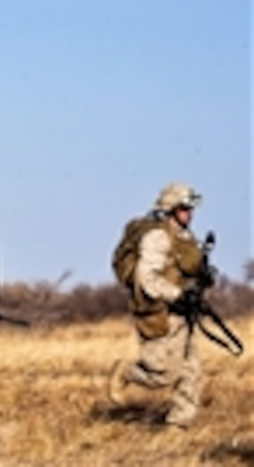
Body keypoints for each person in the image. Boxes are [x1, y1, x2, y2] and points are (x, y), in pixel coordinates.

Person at [108, 182, 204, 428]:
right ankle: (127, 371)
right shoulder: (157, 238)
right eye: (184, 208)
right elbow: (147, 279)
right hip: (160, 312)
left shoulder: (185, 237)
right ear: (171, 208)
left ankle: (178, 424)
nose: (189, 213)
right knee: (163, 374)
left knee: (191, 369)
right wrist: (177, 294)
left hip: (184, 313)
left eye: (190, 208)